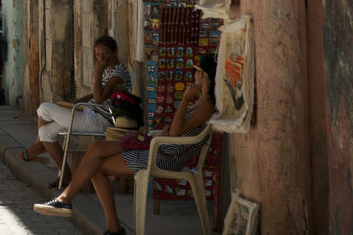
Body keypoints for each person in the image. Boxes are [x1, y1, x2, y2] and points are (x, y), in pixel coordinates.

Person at [33, 55, 218, 235]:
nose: (194, 75)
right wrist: (171, 126)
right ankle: (73, 204)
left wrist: (185, 100)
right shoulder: (200, 103)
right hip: (161, 147)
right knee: (95, 151)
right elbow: (178, 129)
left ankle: (72, 204)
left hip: (166, 156)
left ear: (204, 76)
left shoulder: (207, 105)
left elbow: (177, 132)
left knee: (94, 166)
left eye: (196, 71)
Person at [21, 35, 133, 184]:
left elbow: (99, 99)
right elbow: (95, 94)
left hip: (100, 120)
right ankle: (65, 174)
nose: (101, 58)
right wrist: (77, 102)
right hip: (89, 112)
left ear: (115, 52)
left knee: (44, 108)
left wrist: (98, 71)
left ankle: (38, 146)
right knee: (45, 132)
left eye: (105, 53)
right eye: (98, 54)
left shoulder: (119, 73)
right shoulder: (109, 70)